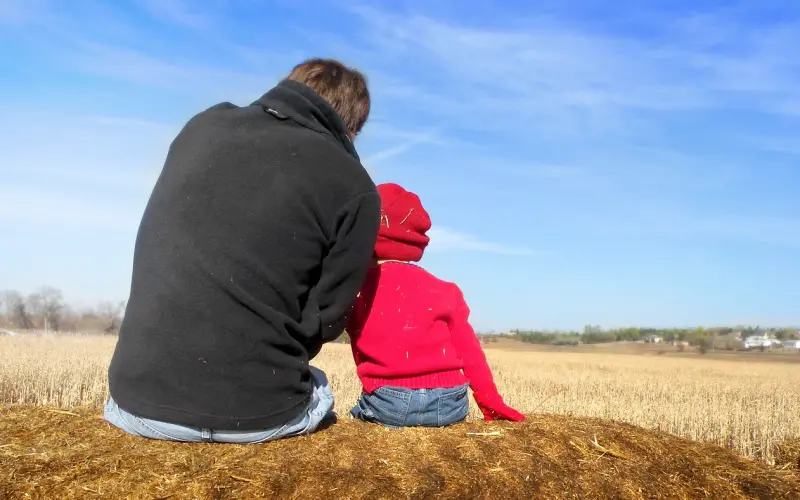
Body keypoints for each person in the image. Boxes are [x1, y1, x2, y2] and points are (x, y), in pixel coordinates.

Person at [104, 58, 381, 444]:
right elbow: (327, 317)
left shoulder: (203, 125)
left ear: (289, 86)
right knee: (319, 386)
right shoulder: (357, 187)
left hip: (133, 405)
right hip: (258, 415)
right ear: (351, 127)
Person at [346, 183, 525, 427]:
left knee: (351, 416)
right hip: (452, 401)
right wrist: (490, 401)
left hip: (390, 401)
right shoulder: (446, 290)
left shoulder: (357, 289)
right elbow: (470, 352)